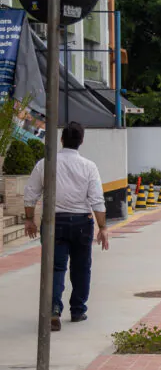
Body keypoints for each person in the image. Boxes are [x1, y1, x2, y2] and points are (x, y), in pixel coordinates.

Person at [24, 122, 110, 332]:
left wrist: (29, 219)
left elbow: (30, 194)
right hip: (82, 222)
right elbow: (97, 199)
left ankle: (54, 309)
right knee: (81, 268)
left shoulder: (45, 164)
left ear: (61, 140)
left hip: (54, 223)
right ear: (81, 141)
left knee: (55, 267)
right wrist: (103, 227)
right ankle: (78, 310)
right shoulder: (89, 166)